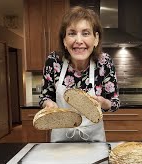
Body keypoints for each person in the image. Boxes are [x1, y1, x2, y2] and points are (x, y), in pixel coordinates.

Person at [39, 6, 120, 142]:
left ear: (96, 38)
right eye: (72, 33)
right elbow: (44, 96)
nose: (78, 40)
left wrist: (103, 103)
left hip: (94, 141)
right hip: (60, 143)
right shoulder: (53, 61)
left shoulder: (104, 62)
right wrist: (48, 104)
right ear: (64, 40)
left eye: (86, 33)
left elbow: (114, 102)